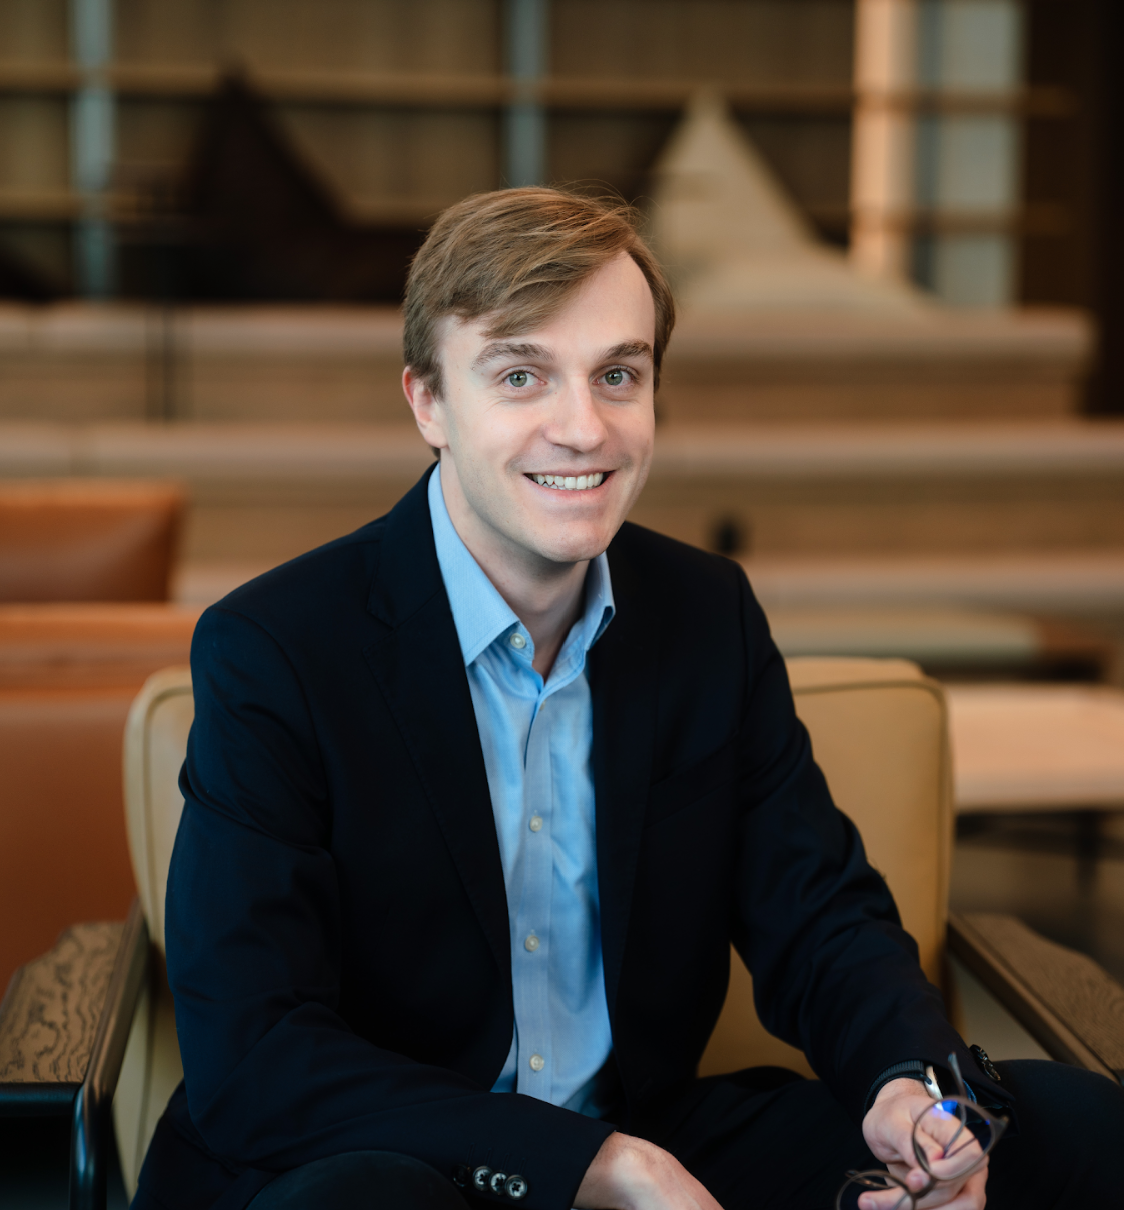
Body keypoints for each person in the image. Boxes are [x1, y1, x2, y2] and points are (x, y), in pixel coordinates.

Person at [135, 188, 1122, 1210]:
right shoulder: (277, 647)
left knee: (1076, 1130)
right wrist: (594, 1165)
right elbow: (257, 1053)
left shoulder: (705, 616)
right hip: (384, 1155)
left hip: (654, 1138)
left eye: (618, 374)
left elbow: (816, 914)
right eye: (521, 374)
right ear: (427, 401)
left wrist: (905, 1090)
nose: (582, 427)